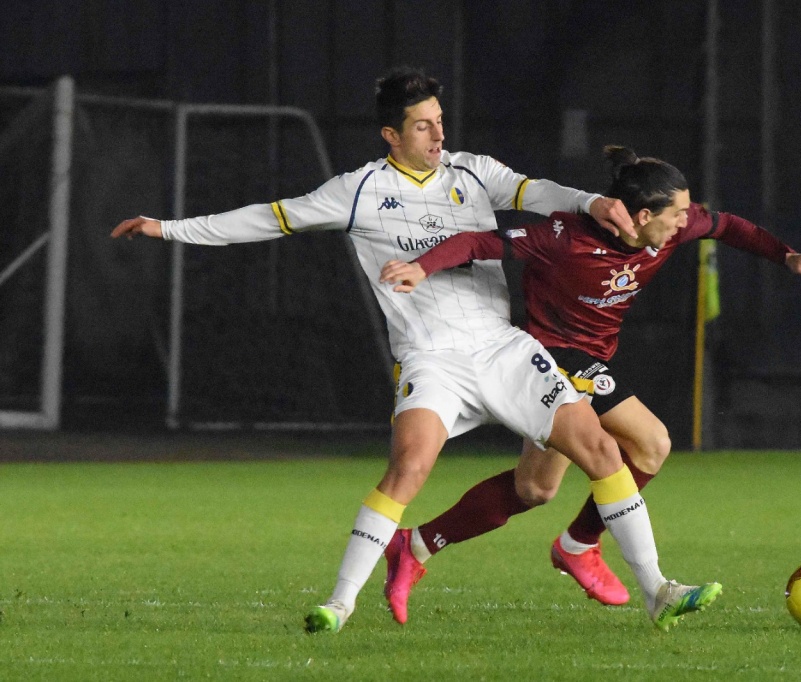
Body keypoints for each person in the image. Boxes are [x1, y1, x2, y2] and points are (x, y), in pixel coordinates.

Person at [111, 68, 721, 634]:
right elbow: (270, 218)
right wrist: (169, 228)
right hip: (430, 357)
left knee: (600, 450)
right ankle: (340, 602)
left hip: (503, 347)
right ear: (390, 134)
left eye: (439, 120)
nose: (438, 134)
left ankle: (658, 591)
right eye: (423, 125)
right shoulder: (358, 190)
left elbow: (538, 193)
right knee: (410, 467)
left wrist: (591, 202)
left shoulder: (473, 171)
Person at [378, 145, 801, 620]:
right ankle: (586, 549)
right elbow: (479, 243)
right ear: (642, 215)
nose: (688, 221)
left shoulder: (672, 227)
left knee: (534, 489)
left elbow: (729, 227)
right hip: (547, 356)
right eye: (678, 213)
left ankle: (414, 544)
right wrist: (422, 267)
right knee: (651, 442)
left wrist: (788, 256)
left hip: (592, 357)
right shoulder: (565, 236)